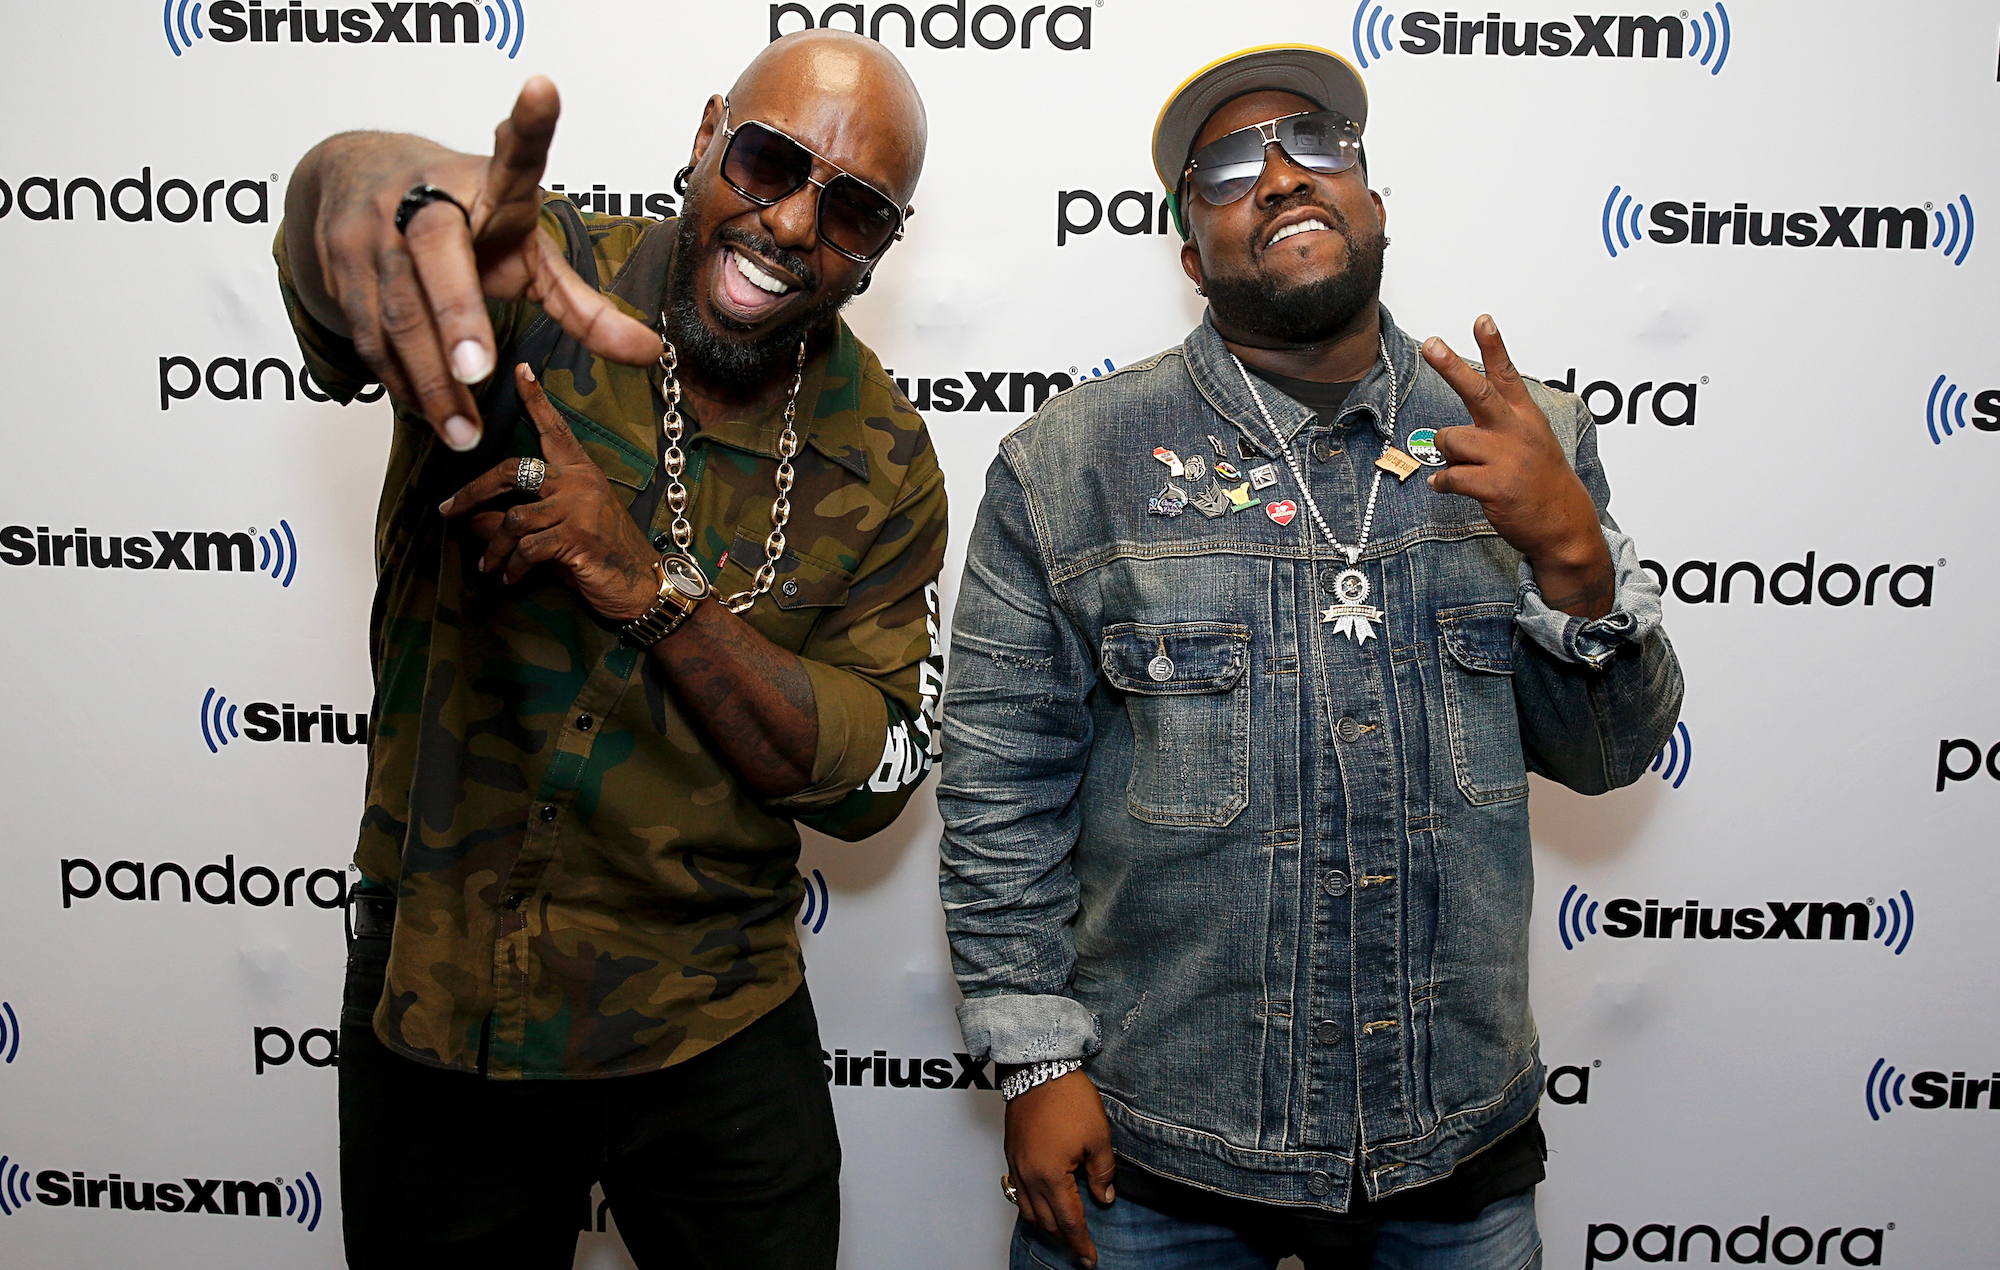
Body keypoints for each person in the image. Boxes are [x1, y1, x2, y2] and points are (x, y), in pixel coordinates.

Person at [938, 44, 1683, 1270]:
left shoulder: (1524, 434)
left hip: (1451, 1137)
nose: (1280, 175)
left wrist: (1575, 566)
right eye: (1226, 166)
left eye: (1315, 142)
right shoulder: (1072, 462)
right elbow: (998, 786)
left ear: (1372, 201)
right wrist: (1035, 1062)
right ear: (1188, 254)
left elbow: (1606, 759)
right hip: (1155, 1142)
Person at [272, 30, 945, 1270]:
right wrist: (373, 181)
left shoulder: (884, 454)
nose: (793, 222)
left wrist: (649, 589)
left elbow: (875, 773)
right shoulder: (533, 278)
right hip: (448, 1001)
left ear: (877, 249)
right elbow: (361, 233)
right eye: (766, 160)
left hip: (716, 1017)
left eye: (851, 209)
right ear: (703, 137)